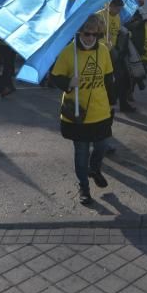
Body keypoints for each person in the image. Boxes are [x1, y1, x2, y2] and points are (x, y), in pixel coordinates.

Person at [50, 14, 117, 205]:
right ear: (79, 32)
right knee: (81, 153)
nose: (90, 38)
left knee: (102, 146)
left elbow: (108, 78)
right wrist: (68, 83)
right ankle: (84, 187)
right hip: (77, 114)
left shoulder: (103, 51)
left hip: (101, 111)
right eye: (86, 33)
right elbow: (55, 76)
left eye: (94, 35)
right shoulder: (68, 52)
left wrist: (112, 103)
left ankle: (94, 169)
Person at [99, 0, 136, 113]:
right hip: (104, 51)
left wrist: (125, 32)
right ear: (111, 6)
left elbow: (118, 29)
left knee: (122, 77)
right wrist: (105, 43)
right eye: (117, 9)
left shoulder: (117, 16)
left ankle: (120, 102)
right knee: (112, 78)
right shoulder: (100, 16)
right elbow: (95, 32)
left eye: (120, 9)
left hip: (115, 50)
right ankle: (111, 103)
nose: (119, 11)